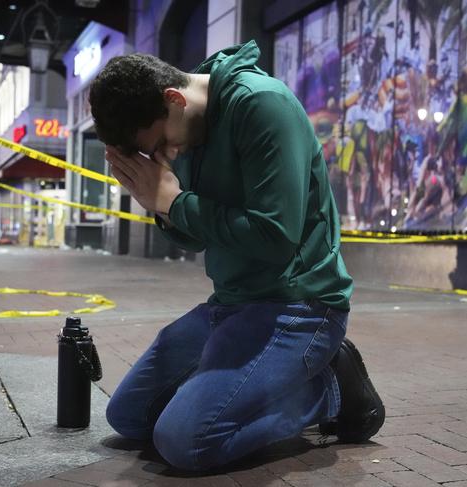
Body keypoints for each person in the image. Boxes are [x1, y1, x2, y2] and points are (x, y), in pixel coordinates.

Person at [89, 40, 385, 471]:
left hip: (299, 307)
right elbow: (194, 238)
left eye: (158, 144)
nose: (163, 156)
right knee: (129, 417)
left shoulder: (262, 106)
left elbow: (275, 236)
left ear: (173, 99)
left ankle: (330, 388)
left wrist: (175, 202)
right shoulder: (186, 124)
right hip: (230, 306)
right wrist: (159, 203)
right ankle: (239, 385)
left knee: (185, 443)